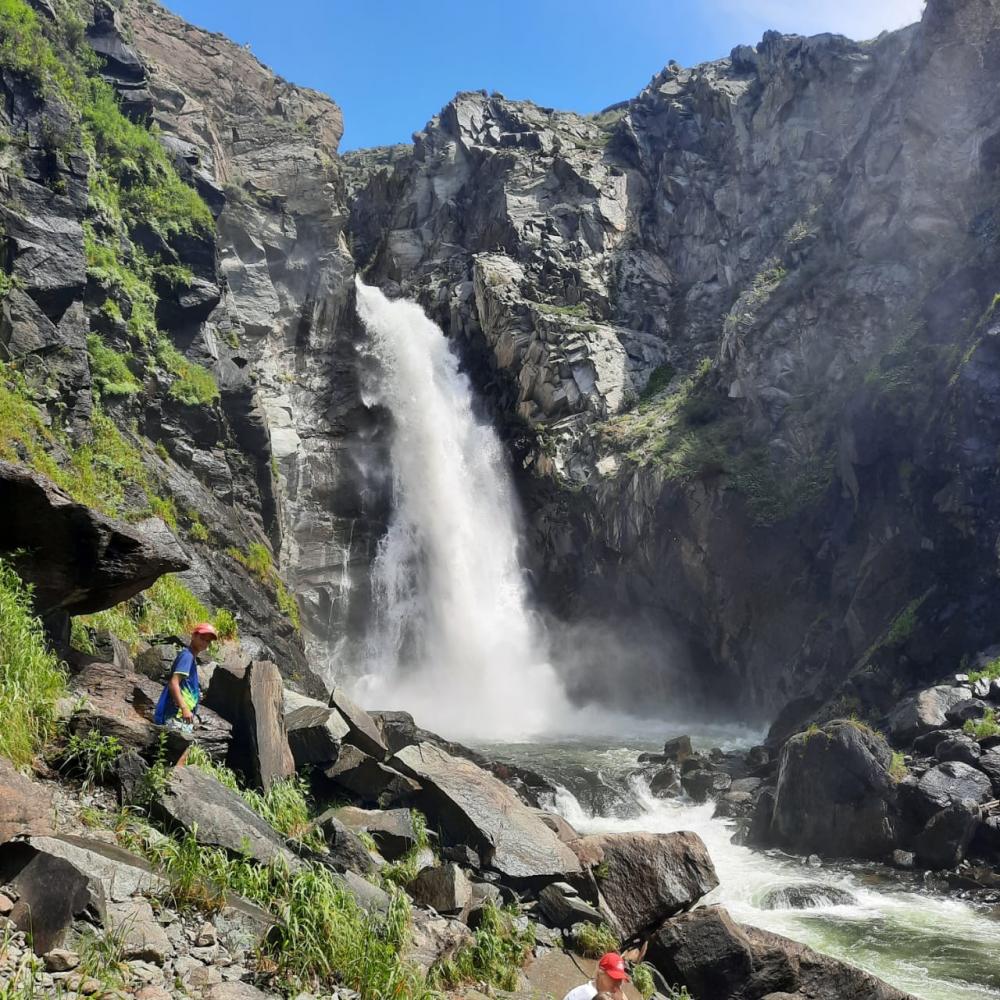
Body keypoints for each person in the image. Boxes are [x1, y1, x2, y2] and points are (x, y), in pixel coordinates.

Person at [153, 622, 218, 731]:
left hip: (180, 716)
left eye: (208, 641)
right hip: (175, 715)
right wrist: (184, 708)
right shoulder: (187, 657)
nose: (205, 643)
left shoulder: (190, 657)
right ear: (193, 636)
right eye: (202, 638)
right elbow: (174, 683)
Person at [562, 952, 630, 1000]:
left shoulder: (596, 993)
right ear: (601, 972)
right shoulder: (589, 994)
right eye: (614, 978)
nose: (617, 985)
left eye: (619, 980)